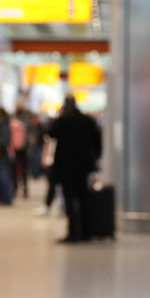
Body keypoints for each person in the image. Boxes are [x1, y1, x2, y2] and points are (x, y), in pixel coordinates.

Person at [48, 96, 102, 243]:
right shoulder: (87, 121)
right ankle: (86, 232)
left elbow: (51, 133)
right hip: (83, 166)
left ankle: (73, 232)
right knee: (84, 197)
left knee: (70, 199)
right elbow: (97, 142)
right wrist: (94, 158)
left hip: (66, 167)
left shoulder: (63, 121)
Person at [11, 104, 30, 198]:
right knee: (20, 170)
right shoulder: (25, 120)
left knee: (19, 170)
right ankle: (19, 188)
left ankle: (19, 189)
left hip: (19, 148)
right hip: (21, 148)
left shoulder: (14, 120)